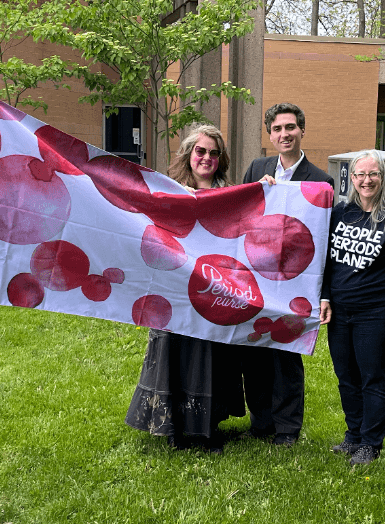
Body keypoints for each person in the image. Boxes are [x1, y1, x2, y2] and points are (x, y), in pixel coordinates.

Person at [125, 124, 244, 453]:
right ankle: (174, 426)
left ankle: (207, 428)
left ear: (221, 159)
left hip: (214, 292)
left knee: (211, 356)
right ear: (189, 155)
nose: (206, 158)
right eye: (200, 151)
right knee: (175, 352)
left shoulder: (232, 197)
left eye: (214, 153)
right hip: (174, 290)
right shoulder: (169, 194)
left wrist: (267, 191)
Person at [239, 102, 333, 446]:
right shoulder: (257, 169)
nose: (284, 134)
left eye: (290, 127)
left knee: (287, 355)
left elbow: (324, 238)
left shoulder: (321, 181)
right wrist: (256, 192)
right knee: (255, 349)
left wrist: (323, 291)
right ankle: (261, 422)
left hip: (297, 281)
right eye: (277, 129)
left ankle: (287, 427)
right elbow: (241, 215)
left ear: (302, 130)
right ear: (270, 135)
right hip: (258, 277)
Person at [319, 150, 385, 466]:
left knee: (372, 377)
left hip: (377, 311)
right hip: (340, 310)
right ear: (352, 178)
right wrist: (326, 297)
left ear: (382, 177)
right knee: (346, 376)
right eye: (360, 175)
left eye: (373, 174)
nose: (366, 180)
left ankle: (371, 443)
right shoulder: (340, 213)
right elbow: (328, 263)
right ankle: (353, 436)